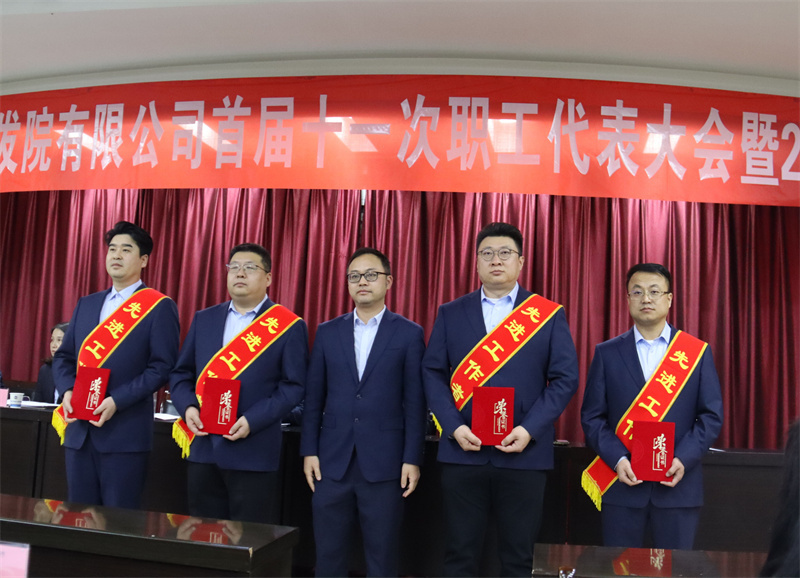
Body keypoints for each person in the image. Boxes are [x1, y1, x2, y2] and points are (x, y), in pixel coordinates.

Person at [423, 222, 579, 577]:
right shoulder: (451, 312)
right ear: (476, 262)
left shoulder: (547, 314)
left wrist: (529, 429)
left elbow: (565, 379)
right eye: (487, 253)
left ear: (520, 261)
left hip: (524, 453)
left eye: (505, 253)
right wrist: (453, 427)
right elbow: (432, 373)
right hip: (463, 451)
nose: (496, 260)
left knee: (519, 558)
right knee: (459, 555)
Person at [301, 248, 426, 577]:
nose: (362, 282)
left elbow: (416, 402)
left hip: (386, 465)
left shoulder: (409, 333)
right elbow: (314, 398)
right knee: (328, 557)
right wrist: (309, 451)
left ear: (389, 281)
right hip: (331, 463)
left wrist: (412, 458)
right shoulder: (328, 331)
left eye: (371, 275)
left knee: (382, 558)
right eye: (354, 276)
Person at [581, 263, 724, 549]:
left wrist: (682, 459)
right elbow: (592, 417)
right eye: (637, 292)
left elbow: (711, 417)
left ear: (669, 299)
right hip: (622, 486)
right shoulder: (607, 353)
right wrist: (619, 460)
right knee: (619, 567)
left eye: (654, 291)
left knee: (675, 568)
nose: (646, 298)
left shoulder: (695, 353)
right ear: (628, 299)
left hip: (677, 487)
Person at [169, 243, 307, 524]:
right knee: (203, 534)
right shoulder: (205, 319)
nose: (240, 273)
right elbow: (181, 374)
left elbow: (293, 386)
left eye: (250, 267)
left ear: (268, 278)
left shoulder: (288, 325)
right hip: (204, 449)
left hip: (253, 451)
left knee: (249, 537)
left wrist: (252, 421)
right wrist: (188, 408)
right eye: (234, 267)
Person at [53, 221, 180, 509]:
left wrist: (116, 401)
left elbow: (162, 367)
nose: (117, 255)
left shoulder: (158, 307)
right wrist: (68, 391)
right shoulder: (87, 303)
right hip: (79, 432)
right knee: (78, 517)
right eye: (112, 249)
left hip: (125, 433)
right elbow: (64, 357)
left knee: (117, 520)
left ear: (143, 260)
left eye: (126, 249)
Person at [33, 322, 69, 403]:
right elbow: (37, 402)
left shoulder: (79, 371)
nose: (53, 345)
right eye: (52, 340)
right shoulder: (45, 370)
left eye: (59, 340)